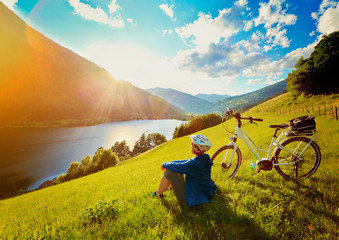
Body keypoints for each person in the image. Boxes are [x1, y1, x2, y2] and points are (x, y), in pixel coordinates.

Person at [152, 134, 217, 207]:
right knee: (175, 168)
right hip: (201, 191)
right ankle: (170, 187)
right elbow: (185, 162)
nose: (191, 144)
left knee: (169, 171)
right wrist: (170, 162)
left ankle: (158, 194)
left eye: (192, 143)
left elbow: (183, 165)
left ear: (196, 149)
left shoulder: (194, 164)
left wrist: (164, 165)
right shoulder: (204, 158)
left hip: (192, 197)